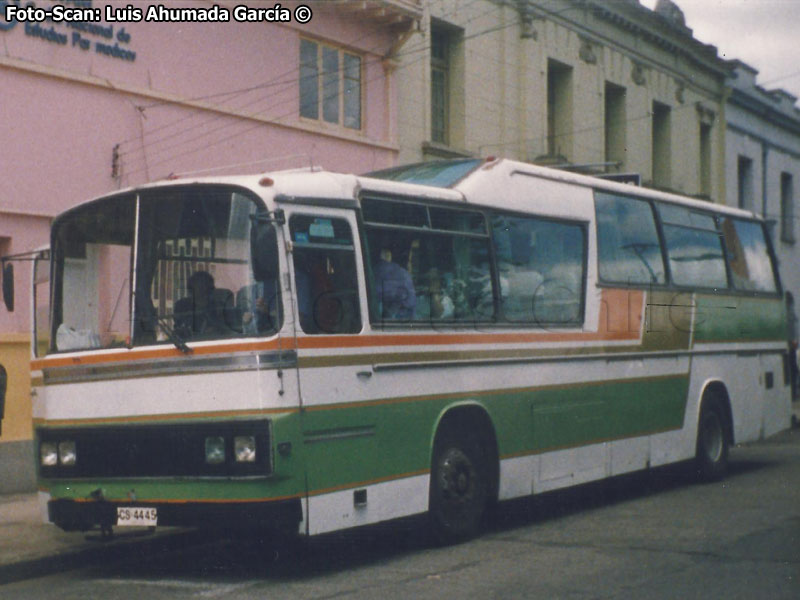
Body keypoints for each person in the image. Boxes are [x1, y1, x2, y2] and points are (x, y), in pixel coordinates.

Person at [174, 271, 231, 337]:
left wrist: (215, 328)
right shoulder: (182, 306)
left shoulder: (220, 308)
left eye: (205, 286)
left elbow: (227, 332)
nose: (203, 290)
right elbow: (178, 328)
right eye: (199, 287)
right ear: (190, 290)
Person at [373, 248, 416, 319]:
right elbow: (411, 303)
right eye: (410, 261)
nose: (410, 265)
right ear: (389, 256)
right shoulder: (404, 275)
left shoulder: (370, 272)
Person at [788, 292, 798, 402]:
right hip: (791, 345)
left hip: (790, 345)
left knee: (792, 370)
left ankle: (793, 393)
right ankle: (794, 393)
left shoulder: (788, 312)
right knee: (793, 369)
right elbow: (793, 327)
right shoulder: (790, 312)